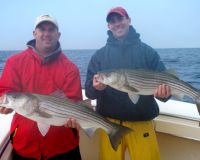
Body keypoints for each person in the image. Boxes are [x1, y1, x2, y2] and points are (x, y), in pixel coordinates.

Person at [85, 7, 171, 160]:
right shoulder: (99, 56)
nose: (117, 24)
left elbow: (165, 88)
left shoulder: (148, 52)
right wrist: (96, 88)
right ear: (108, 26)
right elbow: (90, 92)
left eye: (120, 19)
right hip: (108, 123)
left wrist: (164, 95)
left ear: (128, 20)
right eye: (112, 21)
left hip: (142, 123)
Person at [0, 15, 82, 160]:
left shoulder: (71, 68)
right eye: (42, 29)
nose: (46, 33)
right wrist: (5, 102)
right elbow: (5, 91)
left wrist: (75, 118)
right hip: (24, 144)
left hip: (64, 146)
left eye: (51, 30)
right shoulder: (14, 62)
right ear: (34, 33)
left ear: (58, 35)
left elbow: (74, 101)